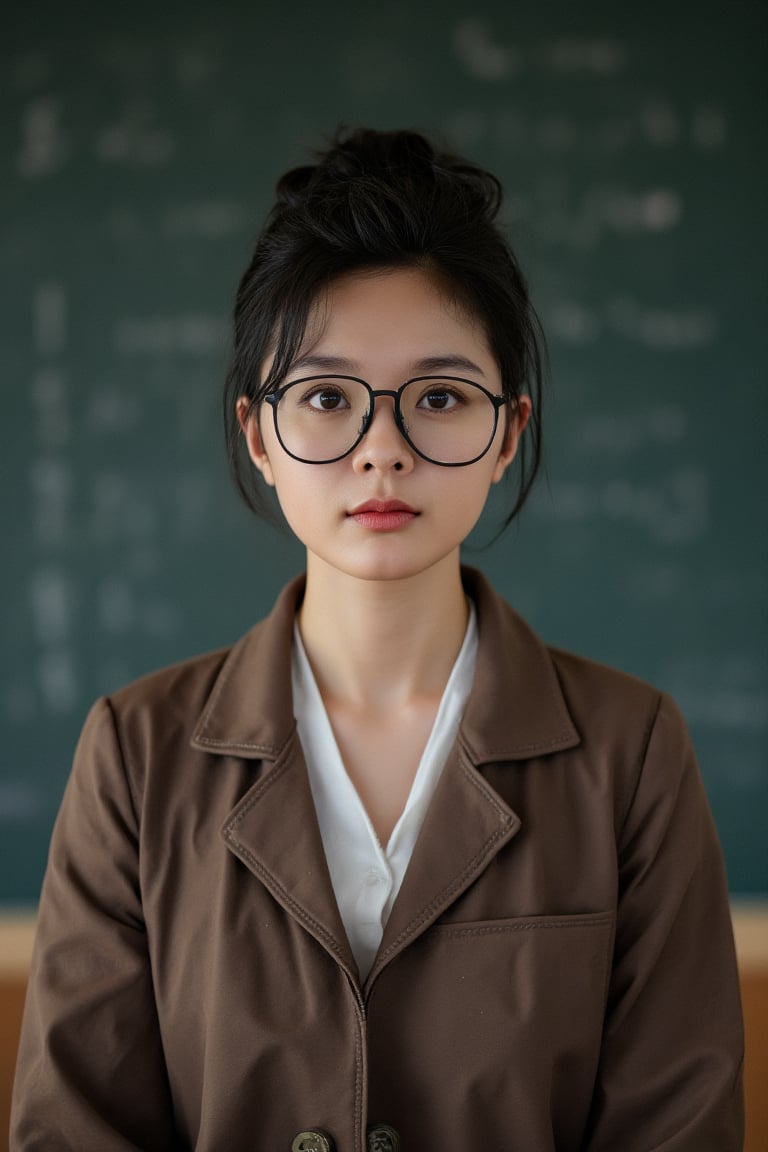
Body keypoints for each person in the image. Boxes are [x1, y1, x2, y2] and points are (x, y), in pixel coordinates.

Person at [11, 127, 744, 1152]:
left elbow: (679, 1128)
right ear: (260, 435)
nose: (384, 451)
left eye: (439, 398)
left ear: (510, 432)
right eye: (326, 398)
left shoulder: (631, 753)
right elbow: (76, 1129)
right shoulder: (136, 755)